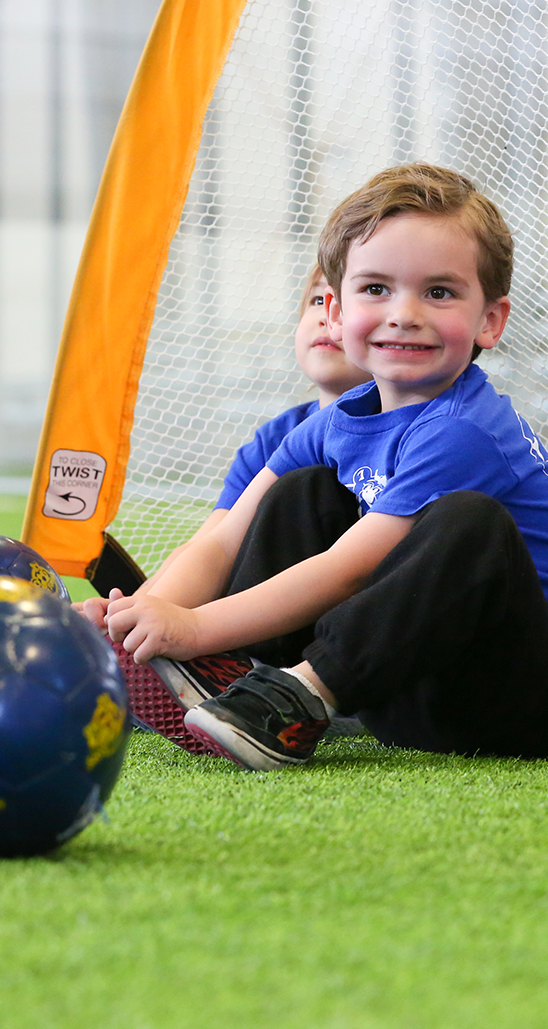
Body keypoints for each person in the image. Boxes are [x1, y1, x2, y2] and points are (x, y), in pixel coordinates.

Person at [85, 162, 548, 770]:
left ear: (490, 320)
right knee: (303, 491)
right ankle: (234, 677)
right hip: (398, 681)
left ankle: (297, 695)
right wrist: (138, 627)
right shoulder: (334, 421)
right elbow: (224, 538)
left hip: (507, 698)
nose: (404, 313)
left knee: (469, 520)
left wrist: (193, 627)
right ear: (333, 310)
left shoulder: (464, 431)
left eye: (439, 292)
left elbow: (348, 572)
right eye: (376, 288)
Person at [109, 263, 371, 750]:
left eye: (351, 302)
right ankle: (205, 674)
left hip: (344, 643)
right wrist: (130, 619)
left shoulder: (414, 434)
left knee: (304, 488)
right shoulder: (277, 437)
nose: (326, 316)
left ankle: (288, 686)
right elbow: (212, 544)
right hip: (250, 631)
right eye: (317, 301)